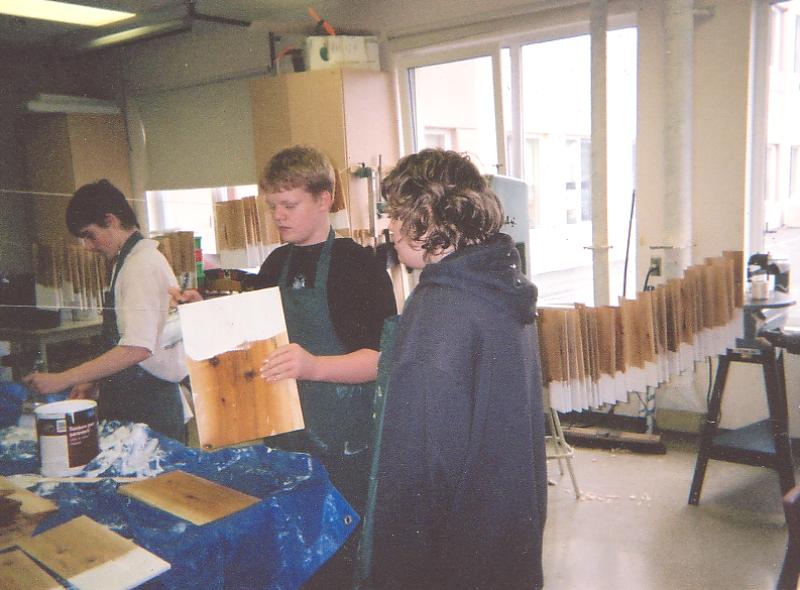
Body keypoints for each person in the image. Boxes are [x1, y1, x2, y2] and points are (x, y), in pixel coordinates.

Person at [173, 146, 397, 588]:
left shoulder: (360, 267)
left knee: (343, 562)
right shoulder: (275, 265)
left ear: (324, 198)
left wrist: (313, 366)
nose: (278, 215)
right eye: (272, 205)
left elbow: (381, 360)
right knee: (295, 559)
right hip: (287, 437)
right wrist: (208, 318)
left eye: (289, 205)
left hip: (347, 445)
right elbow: (252, 343)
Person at [362, 148, 548, 590]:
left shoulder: (441, 308)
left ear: (426, 215)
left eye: (394, 212)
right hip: (504, 540)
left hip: (452, 560)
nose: (387, 226)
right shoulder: (500, 286)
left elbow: (419, 466)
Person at [24, 180, 188, 443]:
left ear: (110, 220)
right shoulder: (127, 262)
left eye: (89, 235)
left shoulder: (140, 265)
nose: (88, 246)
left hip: (149, 407)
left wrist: (63, 379)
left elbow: (137, 348)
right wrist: (95, 379)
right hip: (134, 398)